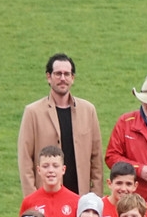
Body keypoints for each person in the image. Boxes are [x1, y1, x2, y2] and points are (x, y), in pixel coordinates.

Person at [18, 53, 102, 197]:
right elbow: (25, 159)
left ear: (72, 78)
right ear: (48, 77)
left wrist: (95, 198)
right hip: (47, 198)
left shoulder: (88, 110)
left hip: (80, 198)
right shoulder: (33, 112)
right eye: (58, 74)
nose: (63, 78)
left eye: (67, 74)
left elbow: (96, 159)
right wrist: (33, 199)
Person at [19, 145, 80, 217]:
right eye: (45, 166)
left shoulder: (76, 201)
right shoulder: (29, 202)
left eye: (55, 166)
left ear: (63, 169)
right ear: (39, 170)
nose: (50, 170)